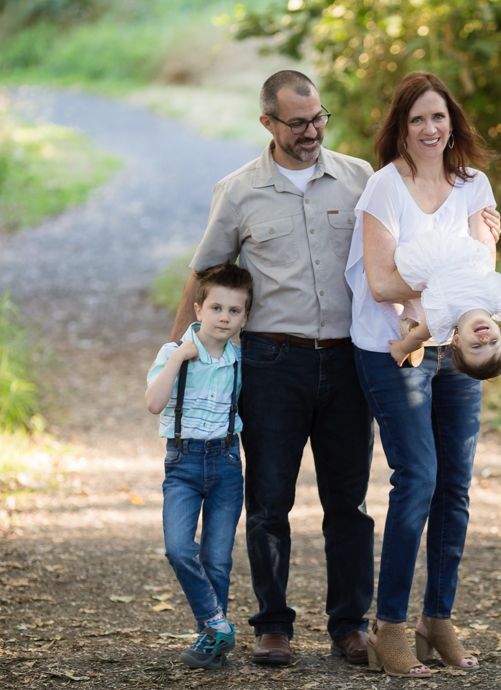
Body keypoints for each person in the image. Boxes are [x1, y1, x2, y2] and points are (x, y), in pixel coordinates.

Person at [173, 70, 378, 666]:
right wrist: (180, 357)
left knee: (349, 503)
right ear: (268, 123)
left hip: (347, 361)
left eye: (319, 118)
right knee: (268, 502)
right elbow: (206, 274)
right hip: (270, 362)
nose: (312, 131)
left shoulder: (359, 178)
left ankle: (350, 624)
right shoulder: (237, 191)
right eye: (298, 122)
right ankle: (273, 625)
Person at [343, 70, 500, 677]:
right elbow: (382, 284)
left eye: (439, 117)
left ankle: (439, 618)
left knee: (455, 483)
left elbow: (482, 276)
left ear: (452, 122)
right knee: (419, 478)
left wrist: (470, 283)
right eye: (417, 120)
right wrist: (453, 277)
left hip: (452, 346)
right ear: (400, 130)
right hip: (393, 349)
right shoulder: (385, 188)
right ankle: (389, 626)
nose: (431, 129)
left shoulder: (473, 183)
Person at [145, 264, 252, 670]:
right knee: (178, 547)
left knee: (218, 558)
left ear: (245, 317)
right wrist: (179, 358)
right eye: (217, 308)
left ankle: (213, 643)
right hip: (183, 463)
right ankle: (215, 623)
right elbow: (154, 404)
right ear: (198, 309)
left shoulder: (239, 361)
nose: (224, 318)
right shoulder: (173, 353)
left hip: (225, 462)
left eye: (235, 311)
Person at [384, 222, 501, 377]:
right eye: (493, 342)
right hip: (464, 251)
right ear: (499, 332)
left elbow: (419, 336)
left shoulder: (445, 316)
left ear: (456, 341)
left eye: (476, 346)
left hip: (434, 256)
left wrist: (402, 349)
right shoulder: (497, 300)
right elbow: (489, 261)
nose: (485, 339)